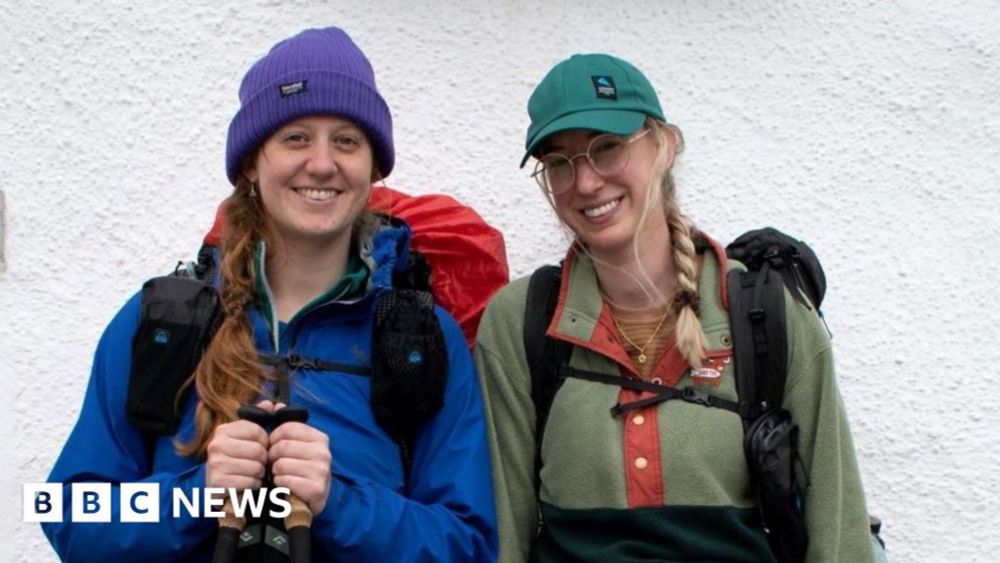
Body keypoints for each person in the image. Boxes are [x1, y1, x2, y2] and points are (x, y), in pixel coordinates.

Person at [42, 27, 498, 562]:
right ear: (252, 165)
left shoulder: (422, 338)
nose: (323, 163)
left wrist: (339, 502)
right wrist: (198, 494)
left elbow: (469, 545)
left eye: (347, 140)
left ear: (372, 169)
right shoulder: (164, 321)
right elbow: (65, 511)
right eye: (296, 137)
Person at [474, 53, 876, 562]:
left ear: (665, 146)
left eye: (608, 147)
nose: (586, 182)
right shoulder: (521, 324)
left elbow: (839, 534)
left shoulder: (765, 315)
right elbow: (502, 535)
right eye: (559, 163)